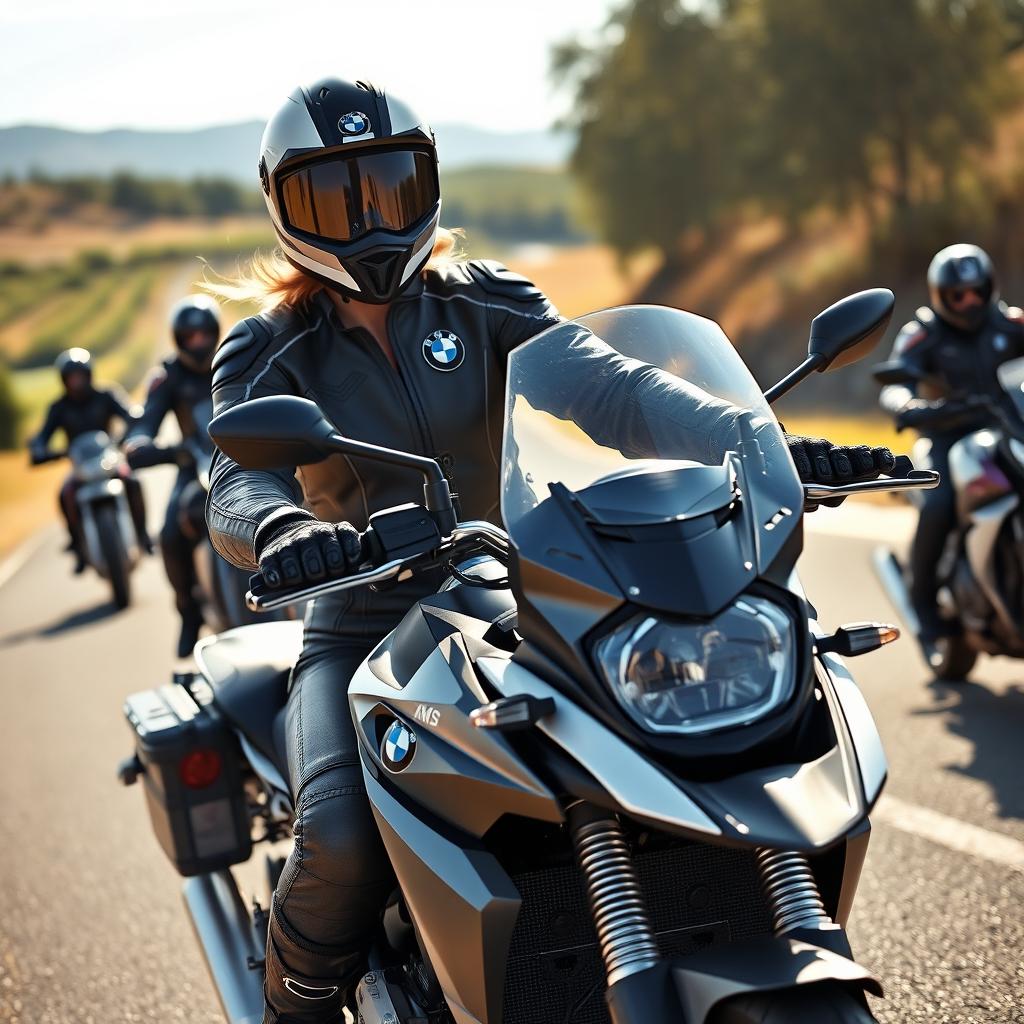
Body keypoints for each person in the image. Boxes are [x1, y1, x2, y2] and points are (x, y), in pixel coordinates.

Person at [205, 78, 897, 1024]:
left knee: (693, 731)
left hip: (520, 597)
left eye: (390, 185)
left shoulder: (485, 302)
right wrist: (284, 531)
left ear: (428, 184)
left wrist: (749, 437)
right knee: (337, 840)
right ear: (286, 207)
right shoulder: (268, 348)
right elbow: (237, 478)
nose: (368, 216)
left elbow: (617, 390)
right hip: (366, 624)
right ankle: (299, 1008)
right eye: (335, 195)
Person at [879, 243, 1024, 646]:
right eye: (958, 295)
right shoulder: (922, 334)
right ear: (941, 296)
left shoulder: (1011, 324)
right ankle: (922, 601)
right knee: (940, 502)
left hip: (1008, 431)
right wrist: (908, 405)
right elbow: (896, 384)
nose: (970, 301)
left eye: (977, 291)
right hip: (945, 438)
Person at [125, 297, 220, 657]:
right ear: (179, 339)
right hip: (192, 464)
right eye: (189, 336)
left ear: (214, 333)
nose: (197, 342)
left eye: (203, 334)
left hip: (247, 457)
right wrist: (140, 442)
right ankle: (189, 613)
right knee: (168, 535)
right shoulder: (168, 377)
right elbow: (145, 422)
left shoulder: (234, 358)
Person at [28, 347, 149, 573]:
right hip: (80, 467)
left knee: (133, 482)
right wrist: (40, 449)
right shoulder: (58, 408)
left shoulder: (106, 395)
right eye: (71, 378)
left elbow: (129, 414)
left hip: (110, 460)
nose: (77, 382)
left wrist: (132, 428)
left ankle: (143, 535)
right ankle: (79, 547)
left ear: (89, 374)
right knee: (65, 494)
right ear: (64, 381)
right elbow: (42, 436)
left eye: (80, 376)